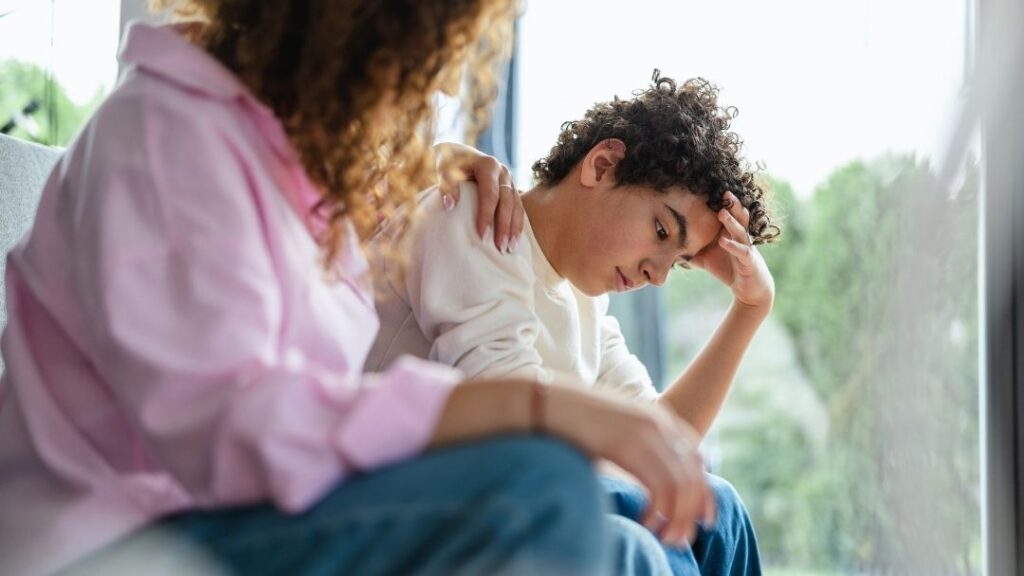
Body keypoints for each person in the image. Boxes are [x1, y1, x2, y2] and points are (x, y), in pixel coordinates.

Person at [0, 2, 717, 575]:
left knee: (645, 529)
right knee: (543, 490)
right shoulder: (166, 133)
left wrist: (412, 168)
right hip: (119, 534)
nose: (432, 91)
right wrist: (536, 409)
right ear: (351, 32)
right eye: (421, 66)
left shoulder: (297, 178)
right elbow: (233, 430)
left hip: (249, 508)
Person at [368, 71, 780, 575]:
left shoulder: (585, 303)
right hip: (413, 502)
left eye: (680, 262)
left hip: (507, 496)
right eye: (660, 231)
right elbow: (512, 433)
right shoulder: (477, 213)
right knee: (646, 534)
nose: (657, 274)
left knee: (720, 511)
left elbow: (662, 442)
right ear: (602, 165)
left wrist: (750, 309)